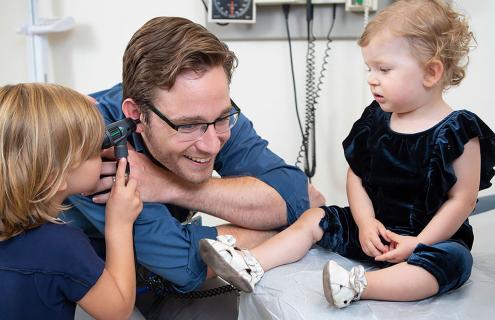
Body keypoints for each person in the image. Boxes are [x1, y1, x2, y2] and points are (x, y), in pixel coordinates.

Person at [200, 0, 495, 309]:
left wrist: (418, 242)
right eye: (370, 68)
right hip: (374, 229)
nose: (372, 78)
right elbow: (356, 174)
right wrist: (365, 223)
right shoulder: (377, 119)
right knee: (315, 217)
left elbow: (462, 200)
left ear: (431, 72)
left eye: (384, 69)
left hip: (430, 237)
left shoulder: (458, 132)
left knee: (455, 260)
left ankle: (358, 285)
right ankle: (251, 263)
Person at [61, 16, 324, 317]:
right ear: (136, 114)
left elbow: (295, 196)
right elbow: (183, 263)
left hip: (153, 282)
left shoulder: (210, 112)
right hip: (92, 292)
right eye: (188, 127)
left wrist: (168, 185)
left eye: (221, 118)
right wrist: (293, 229)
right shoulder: (89, 141)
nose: (211, 144)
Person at [0, 83, 142, 319]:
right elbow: (117, 309)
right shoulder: (62, 245)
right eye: (93, 152)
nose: (102, 153)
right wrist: (120, 224)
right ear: (54, 177)